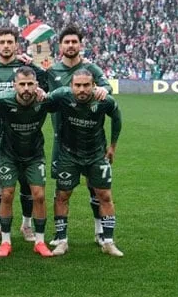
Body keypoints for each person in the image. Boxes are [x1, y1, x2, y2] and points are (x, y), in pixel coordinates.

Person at [45, 23, 112, 248]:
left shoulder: (91, 69)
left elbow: (106, 87)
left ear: (80, 45)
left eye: (74, 41)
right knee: (62, 188)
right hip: (62, 139)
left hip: (91, 138)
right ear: (60, 45)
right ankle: (60, 234)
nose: (71, 45)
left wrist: (104, 89)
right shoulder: (52, 71)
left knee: (96, 187)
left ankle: (100, 230)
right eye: (67, 42)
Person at [0, 26, 47, 243]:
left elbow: (46, 82)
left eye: (10, 42)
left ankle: (27, 225)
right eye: (2, 42)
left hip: (22, 132)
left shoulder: (25, 67)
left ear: (17, 45)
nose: (6, 46)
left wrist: (35, 69)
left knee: (27, 180)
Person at [47, 69, 123, 257]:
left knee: (104, 195)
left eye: (86, 85)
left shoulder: (104, 100)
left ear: (93, 85)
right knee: (62, 195)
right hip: (69, 154)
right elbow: (43, 104)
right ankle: (62, 241)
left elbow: (117, 117)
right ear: (71, 86)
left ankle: (108, 242)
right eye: (78, 85)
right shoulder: (62, 95)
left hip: (96, 155)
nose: (82, 89)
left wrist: (112, 147)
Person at [0, 66, 53, 258]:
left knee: (39, 196)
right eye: (22, 84)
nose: (26, 88)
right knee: (7, 194)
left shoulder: (45, 101)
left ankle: (40, 242)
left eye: (30, 84)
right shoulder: (2, 100)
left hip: (34, 154)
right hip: (8, 154)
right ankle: (5, 241)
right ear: (14, 85)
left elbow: (68, 98)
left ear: (36, 85)